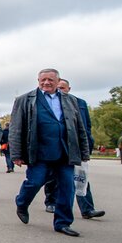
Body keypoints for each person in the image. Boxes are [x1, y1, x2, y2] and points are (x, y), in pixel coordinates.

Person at [10, 68, 90, 237]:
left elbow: (79, 127)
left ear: (57, 81)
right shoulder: (25, 100)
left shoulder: (70, 100)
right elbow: (16, 128)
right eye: (43, 80)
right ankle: (22, 202)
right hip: (39, 152)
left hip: (65, 152)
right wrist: (16, 154)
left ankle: (62, 223)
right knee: (35, 182)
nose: (46, 83)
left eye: (50, 80)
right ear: (38, 81)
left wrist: (84, 152)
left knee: (67, 188)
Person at [43, 79, 105, 219]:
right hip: (58, 147)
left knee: (81, 178)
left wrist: (87, 146)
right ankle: (51, 202)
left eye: (63, 88)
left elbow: (86, 127)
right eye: (58, 87)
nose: (60, 90)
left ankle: (87, 209)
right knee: (54, 178)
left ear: (69, 88)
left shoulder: (79, 103)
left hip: (75, 147)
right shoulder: (48, 103)